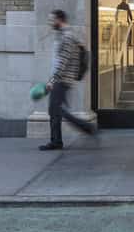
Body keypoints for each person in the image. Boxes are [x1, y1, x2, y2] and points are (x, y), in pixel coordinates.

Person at [40, 8, 94, 151]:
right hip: (61, 79)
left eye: (52, 20)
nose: (50, 23)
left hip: (63, 79)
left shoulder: (67, 37)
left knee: (55, 109)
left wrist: (52, 81)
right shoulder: (63, 35)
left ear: (59, 20)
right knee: (56, 110)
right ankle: (60, 139)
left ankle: (84, 128)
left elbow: (63, 62)